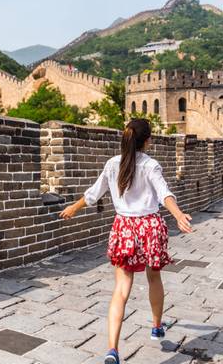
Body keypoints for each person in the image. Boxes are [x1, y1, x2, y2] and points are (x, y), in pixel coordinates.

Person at [59, 118, 193, 364]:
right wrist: (178, 215)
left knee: (121, 289)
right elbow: (164, 194)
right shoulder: (150, 165)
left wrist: (73, 208)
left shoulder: (112, 164)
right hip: (150, 227)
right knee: (154, 277)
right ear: (148, 140)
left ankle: (112, 350)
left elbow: (93, 193)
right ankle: (156, 326)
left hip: (124, 228)